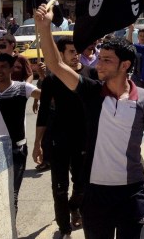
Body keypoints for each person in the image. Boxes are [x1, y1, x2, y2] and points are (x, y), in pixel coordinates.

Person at [35, 4, 144, 238]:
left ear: (125, 65)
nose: (98, 64)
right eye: (100, 58)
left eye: (107, 60)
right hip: (95, 192)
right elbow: (56, 65)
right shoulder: (90, 91)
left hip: (132, 192)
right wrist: (45, 27)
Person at [32, 37, 97, 237]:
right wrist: (37, 144)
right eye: (70, 51)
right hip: (58, 139)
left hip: (84, 139)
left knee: (83, 186)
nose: (75, 54)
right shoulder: (52, 80)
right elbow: (43, 112)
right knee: (59, 188)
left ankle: (74, 206)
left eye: (76, 50)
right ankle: (64, 228)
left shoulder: (91, 74)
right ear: (60, 54)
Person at [0, 52, 42, 215]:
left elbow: (48, 98)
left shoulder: (23, 88)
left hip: (18, 150)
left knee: (13, 195)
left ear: (11, 69)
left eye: (3, 67)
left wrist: (44, 75)